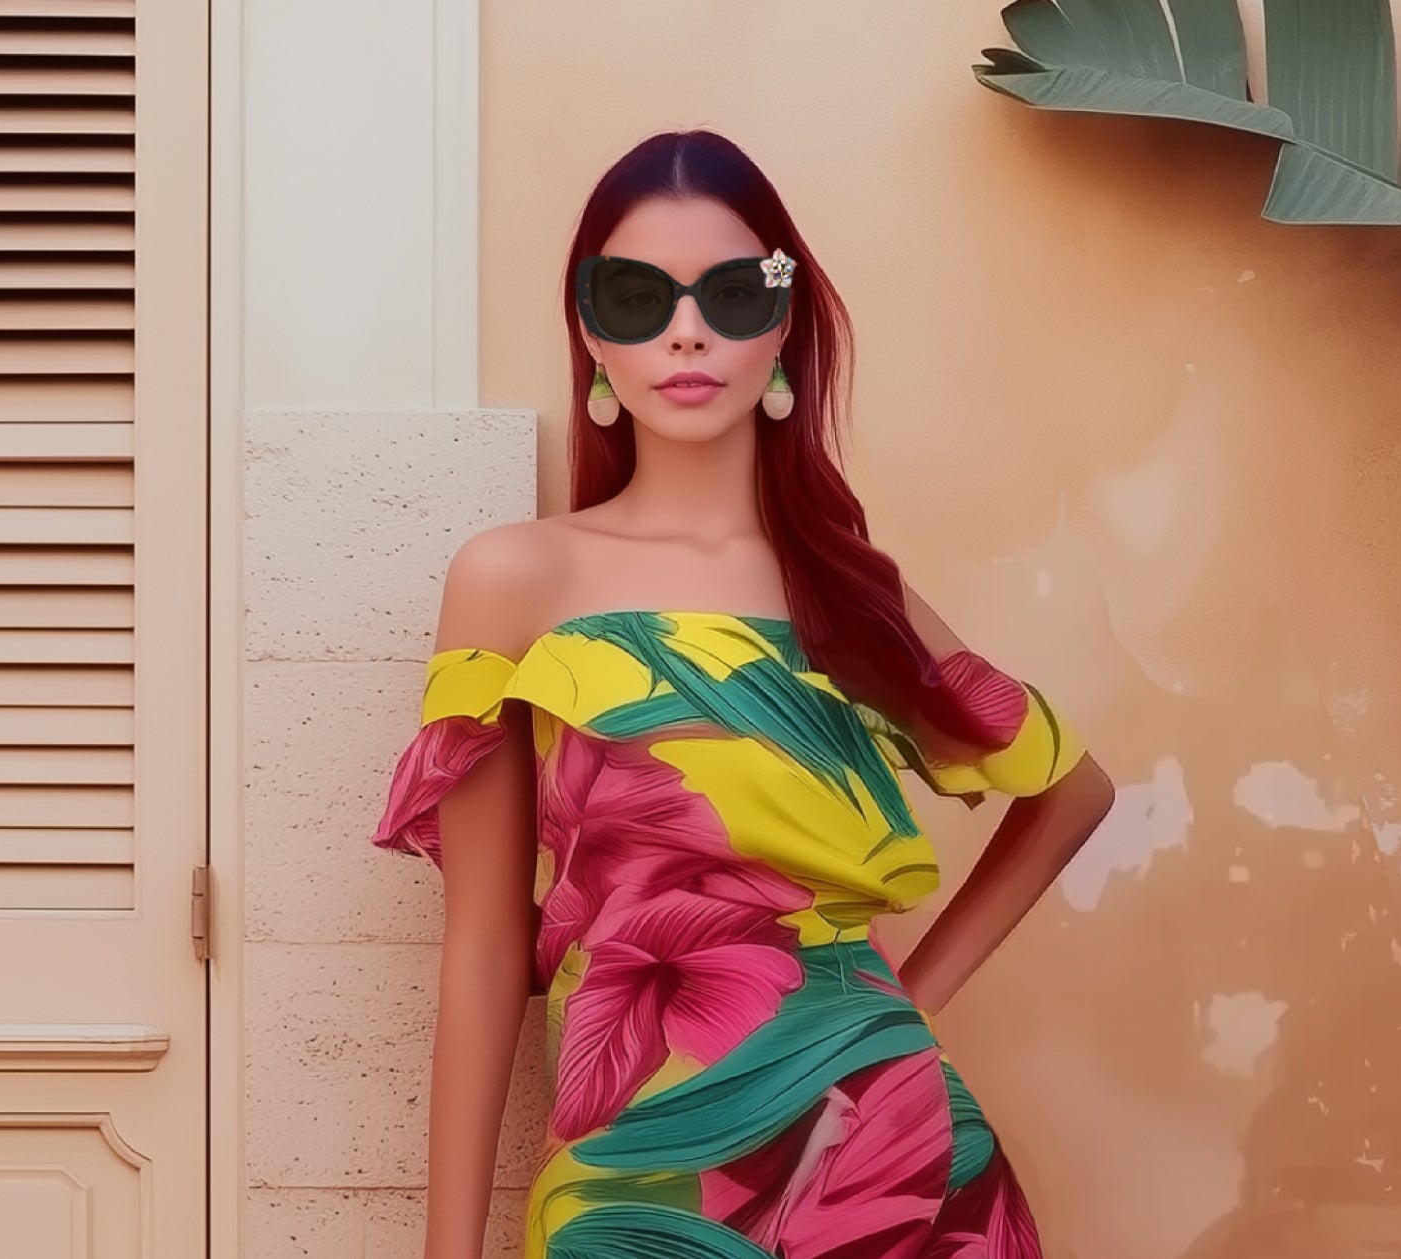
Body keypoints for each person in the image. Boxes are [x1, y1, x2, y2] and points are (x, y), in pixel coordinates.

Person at [370, 128, 1117, 1259]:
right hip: (633, 1176)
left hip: (893, 1153)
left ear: (781, 329)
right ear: (588, 335)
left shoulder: (848, 597)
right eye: (634, 295)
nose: (684, 330)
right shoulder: (513, 579)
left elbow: (1071, 789)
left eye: (729, 293)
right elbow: (480, 945)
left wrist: (905, 1004)